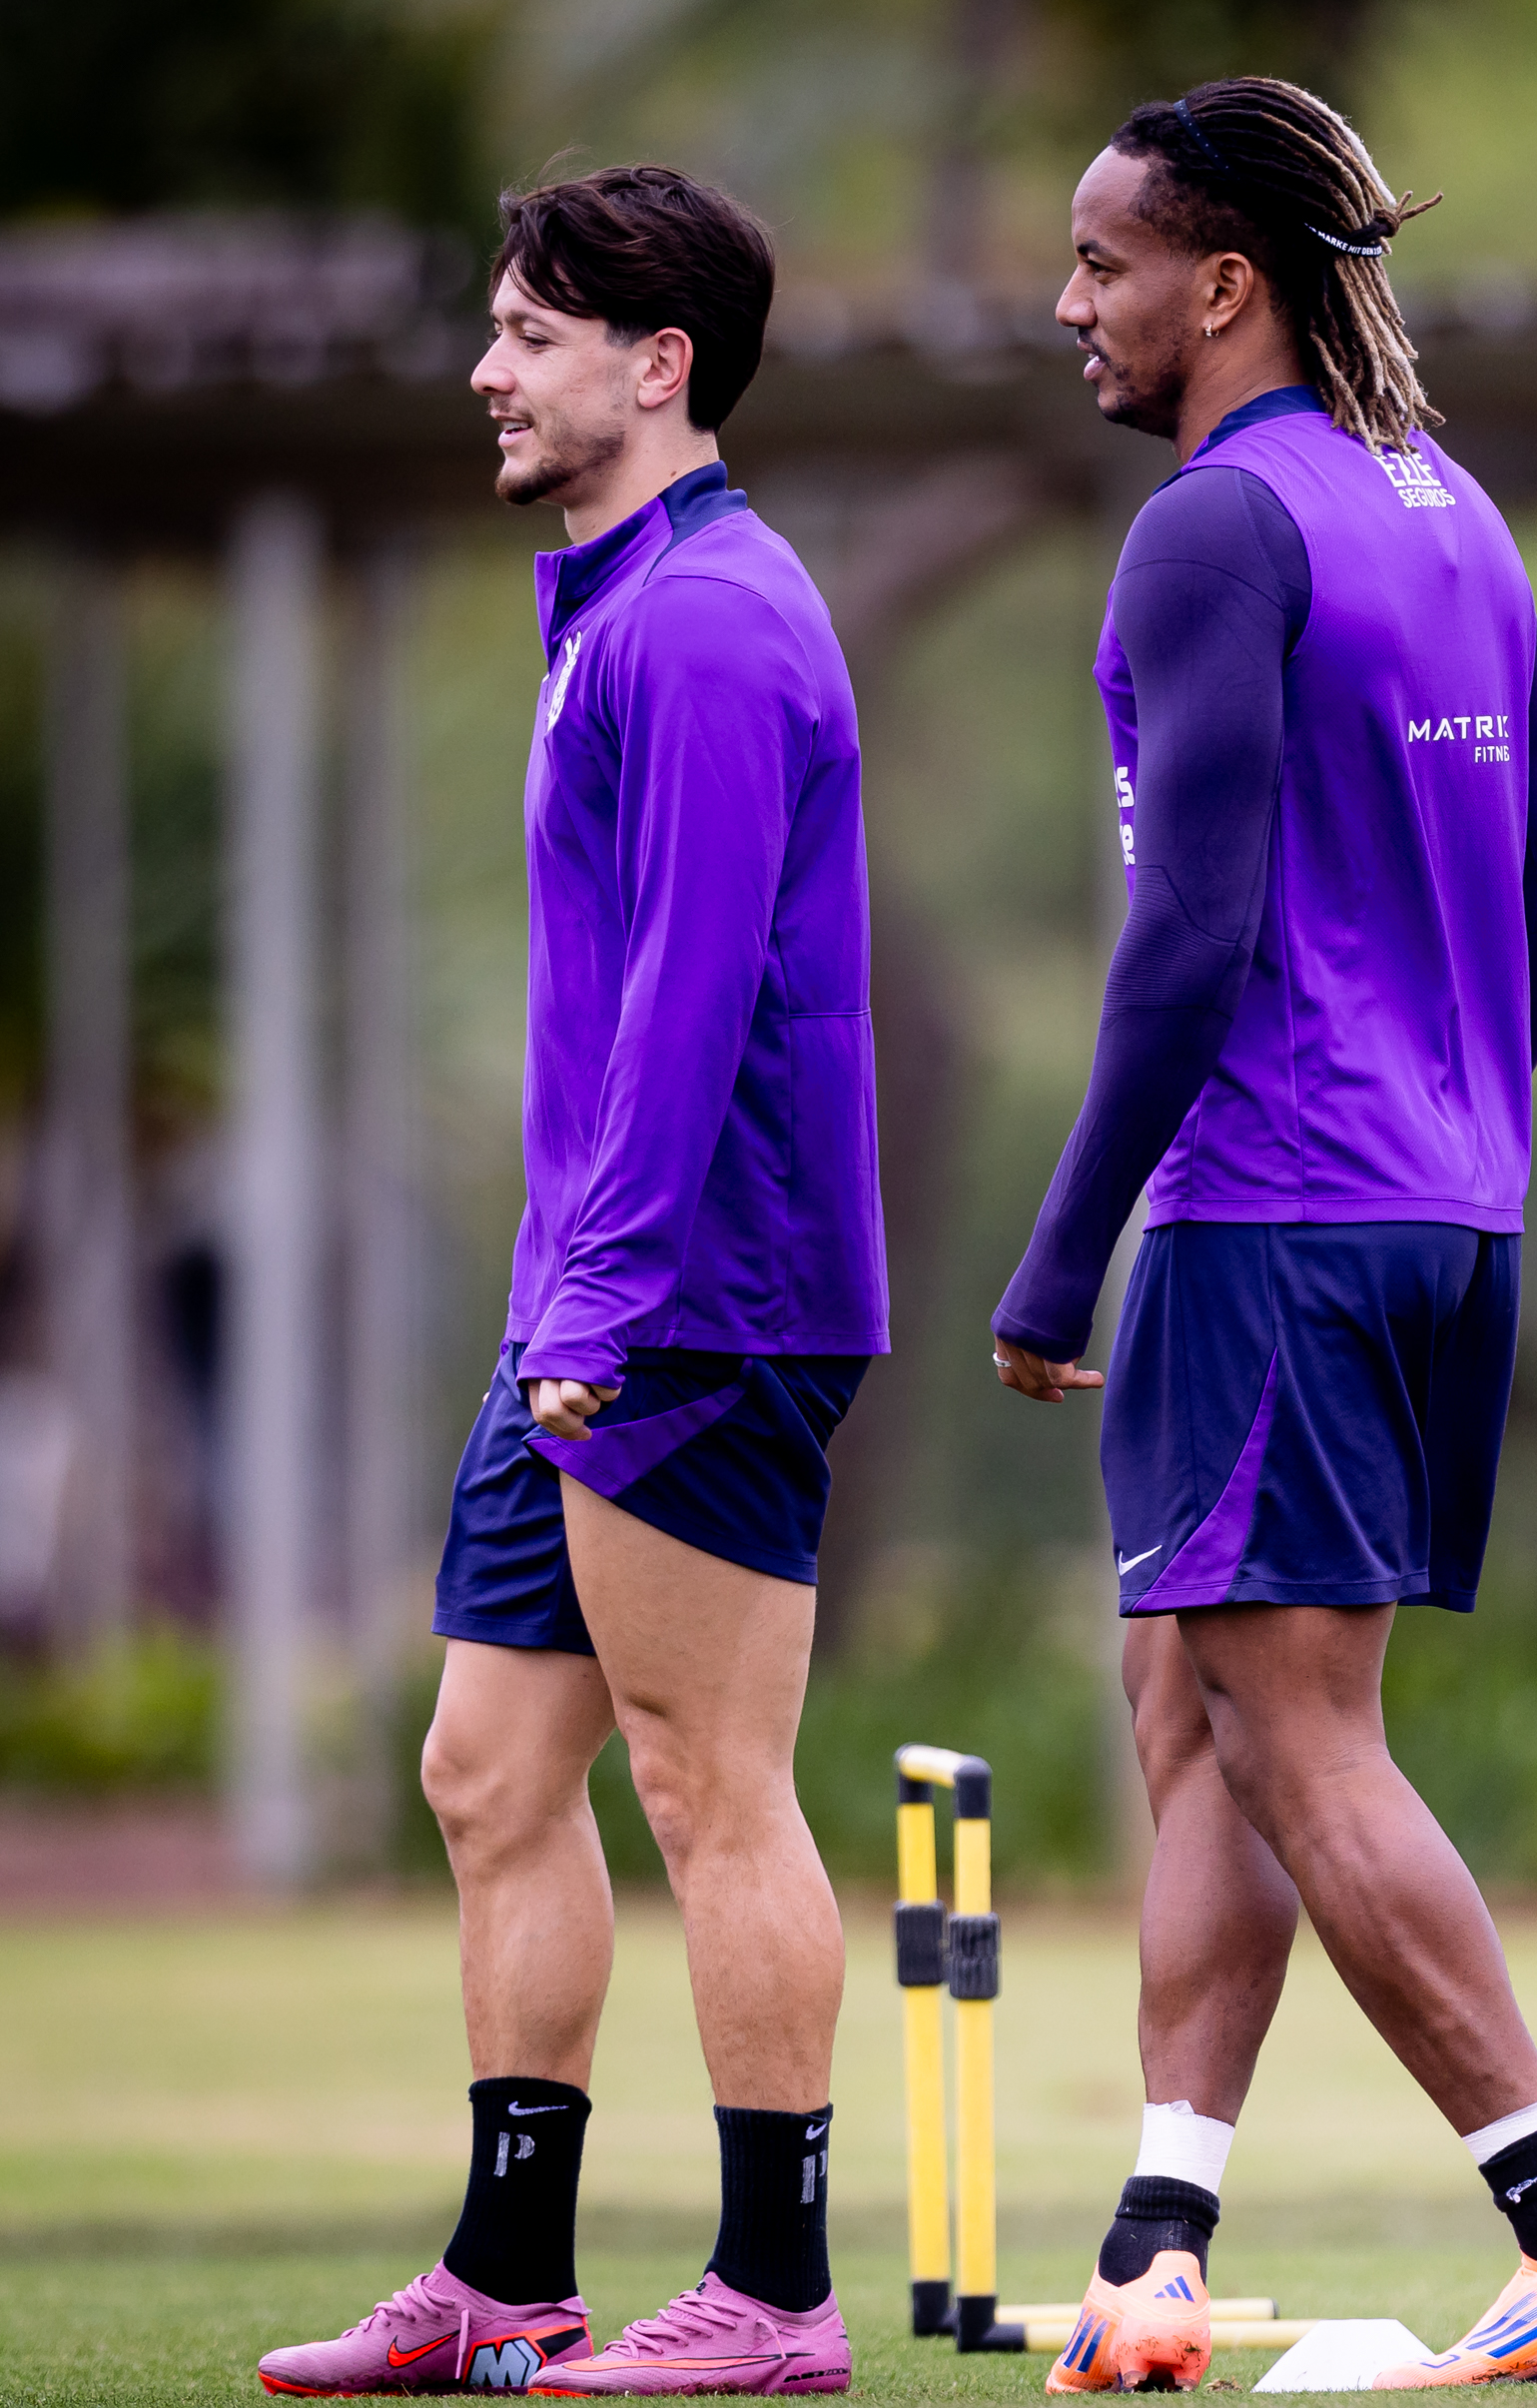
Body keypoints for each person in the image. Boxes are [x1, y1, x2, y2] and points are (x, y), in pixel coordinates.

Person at [989, 77, 1537, 2394]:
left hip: (1274, 1204)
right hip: (1430, 1209)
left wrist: (1058, 1252)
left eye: (1101, 264)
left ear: (1224, 286)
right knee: (1193, 1704)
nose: (1067, 302)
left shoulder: (1214, 527)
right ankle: (1158, 2247)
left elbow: (1186, 936)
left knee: (1296, 1738)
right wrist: (1464, 1100)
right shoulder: (1453, 510)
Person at [255, 165, 883, 2402]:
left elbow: (696, 1002)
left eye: (527, 333)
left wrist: (599, 1313)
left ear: (658, 363)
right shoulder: (621, 610)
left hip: (692, 1301)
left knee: (712, 1781)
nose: (485, 370)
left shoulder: (710, 622)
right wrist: (561, 1306)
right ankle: (506, 2277)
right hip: (593, 1299)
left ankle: (778, 2303)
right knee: (488, 1768)